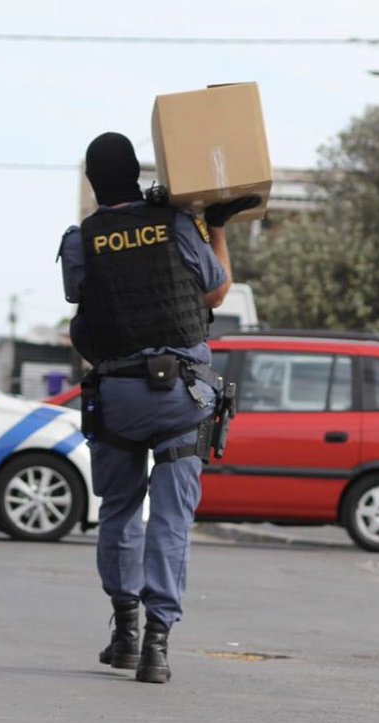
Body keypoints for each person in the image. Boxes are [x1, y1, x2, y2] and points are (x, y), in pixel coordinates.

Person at [58, 132, 258, 684]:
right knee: (171, 520)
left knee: (120, 511)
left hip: (118, 396)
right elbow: (216, 292)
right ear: (137, 172)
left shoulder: (83, 239)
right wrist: (214, 225)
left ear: (95, 184)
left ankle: (123, 632)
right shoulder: (173, 223)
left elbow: (82, 302)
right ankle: (157, 647)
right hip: (182, 397)